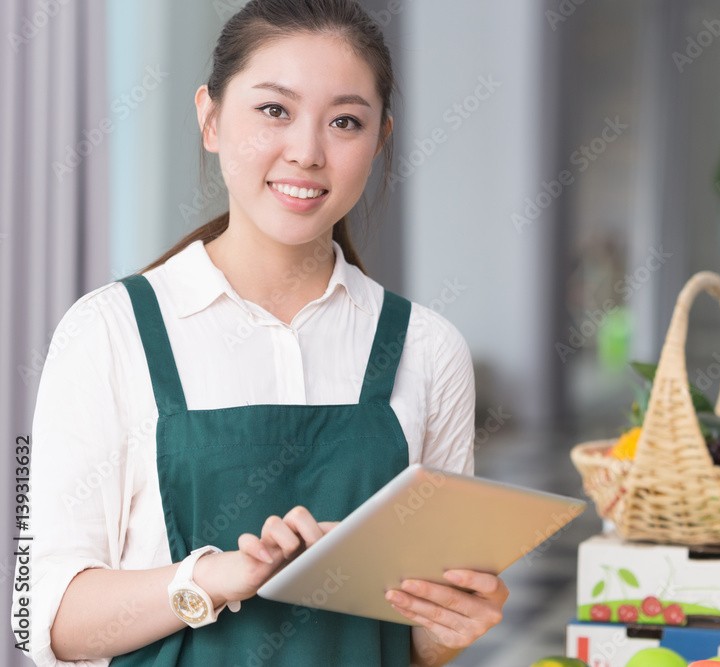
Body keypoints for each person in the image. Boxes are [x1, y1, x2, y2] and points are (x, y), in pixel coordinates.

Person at [15, 1, 507, 665]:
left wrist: (449, 626)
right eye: (274, 110)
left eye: (345, 121)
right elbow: (39, 615)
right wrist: (209, 579)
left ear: (379, 139)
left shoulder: (428, 348)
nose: (306, 151)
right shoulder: (108, 332)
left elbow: (409, 639)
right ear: (211, 118)